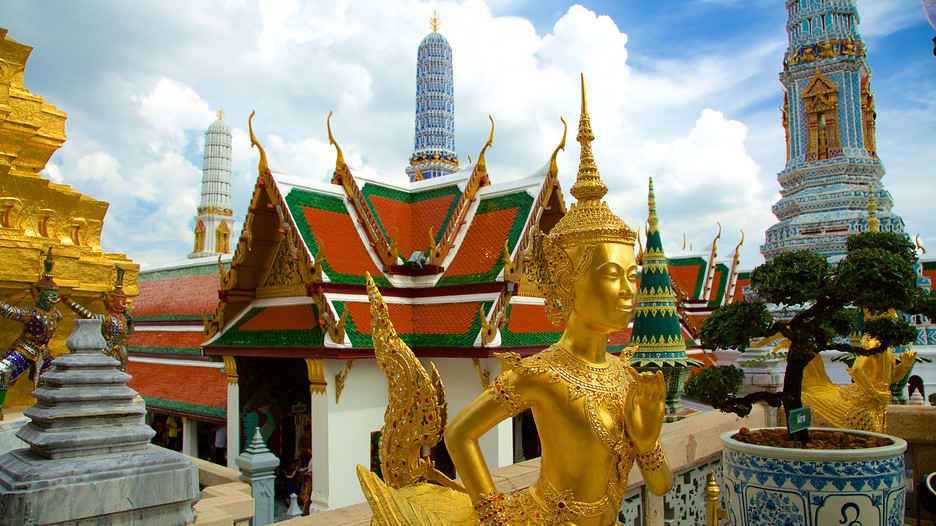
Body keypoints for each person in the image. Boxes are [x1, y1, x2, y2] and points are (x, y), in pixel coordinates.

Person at [443, 77, 673, 525]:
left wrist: (647, 442)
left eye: (633, 275)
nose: (629, 291)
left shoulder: (626, 376)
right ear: (568, 282)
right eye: (611, 276)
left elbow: (661, 485)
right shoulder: (543, 373)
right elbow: (459, 435)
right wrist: (496, 516)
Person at [0, 248, 62, 420]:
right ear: (38, 294)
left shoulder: (56, 315)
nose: (53, 300)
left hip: (44, 352)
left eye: (55, 296)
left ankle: (47, 407)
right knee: (2, 372)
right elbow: (10, 311)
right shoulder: (31, 313)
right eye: (49, 296)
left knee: (55, 378)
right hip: (24, 348)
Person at [61, 265, 133, 371]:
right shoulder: (107, 318)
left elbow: (128, 334)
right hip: (107, 349)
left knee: (121, 372)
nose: (123, 304)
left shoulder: (124, 318)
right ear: (111, 302)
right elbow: (88, 315)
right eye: (120, 301)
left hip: (121, 351)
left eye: (124, 302)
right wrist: (69, 302)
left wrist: (130, 322)